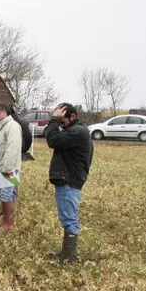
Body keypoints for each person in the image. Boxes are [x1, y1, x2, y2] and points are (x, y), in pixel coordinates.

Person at [44, 103, 94, 263]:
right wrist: (56, 120)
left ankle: (69, 257)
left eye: (62, 121)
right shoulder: (75, 130)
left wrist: (53, 119)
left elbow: (52, 140)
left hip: (69, 179)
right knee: (66, 215)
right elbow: (51, 135)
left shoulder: (77, 132)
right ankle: (66, 252)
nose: (60, 124)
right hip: (69, 177)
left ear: (72, 117)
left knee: (69, 217)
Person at [0, 103, 23, 231]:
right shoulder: (4, 127)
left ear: (3, 112)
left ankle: (8, 224)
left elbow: (12, 149)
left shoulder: (12, 127)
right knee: (6, 195)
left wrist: (7, 168)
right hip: (1, 166)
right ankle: (6, 220)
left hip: (6, 168)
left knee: (6, 195)